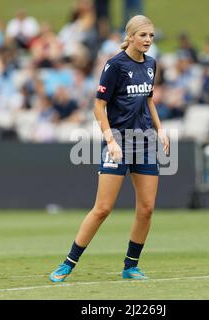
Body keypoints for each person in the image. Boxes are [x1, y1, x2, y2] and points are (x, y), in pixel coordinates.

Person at [48, 15, 169, 282]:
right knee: (102, 208)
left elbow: (148, 101)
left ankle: (130, 266)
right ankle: (69, 262)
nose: (148, 40)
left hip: (145, 142)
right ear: (131, 36)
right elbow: (98, 106)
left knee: (146, 208)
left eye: (151, 36)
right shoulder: (115, 65)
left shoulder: (151, 64)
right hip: (119, 142)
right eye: (143, 35)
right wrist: (111, 140)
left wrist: (160, 130)